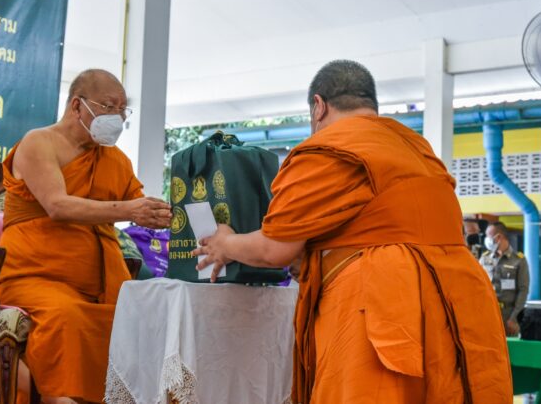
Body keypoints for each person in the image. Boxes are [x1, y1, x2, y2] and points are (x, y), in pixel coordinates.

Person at [194, 60, 512, 403]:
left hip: (385, 297)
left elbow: (275, 249)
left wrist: (225, 244)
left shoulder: (330, 146)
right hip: (456, 298)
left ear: (318, 106)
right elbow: (377, 226)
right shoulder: (417, 148)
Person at [0, 69, 172, 404]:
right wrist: (129, 210)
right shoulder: (39, 142)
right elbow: (57, 206)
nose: (118, 117)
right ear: (77, 105)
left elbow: (139, 205)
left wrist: (165, 214)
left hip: (104, 282)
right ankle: (60, 397)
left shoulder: (115, 160)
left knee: (145, 318)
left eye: (122, 109)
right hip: (35, 277)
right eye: (109, 106)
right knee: (67, 316)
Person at [479, 222, 530, 336]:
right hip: (487, 314)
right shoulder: (484, 259)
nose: (486, 239)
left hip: (508, 316)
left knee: (509, 346)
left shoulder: (519, 260)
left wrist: (514, 318)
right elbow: (477, 287)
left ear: (499, 237)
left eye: (488, 236)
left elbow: (523, 290)